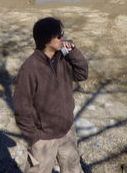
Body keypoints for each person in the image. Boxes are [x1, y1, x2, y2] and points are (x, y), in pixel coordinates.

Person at [13, 17, 89, 173]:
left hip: (67, 130)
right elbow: (21, 107)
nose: (63, 38)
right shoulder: (29, 69)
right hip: (44, 138)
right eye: (59, 35)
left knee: (73, 168)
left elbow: (82, 74)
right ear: (47, 41)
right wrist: (35, 136)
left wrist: (73, 52)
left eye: (62, 34)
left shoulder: (64, 59)